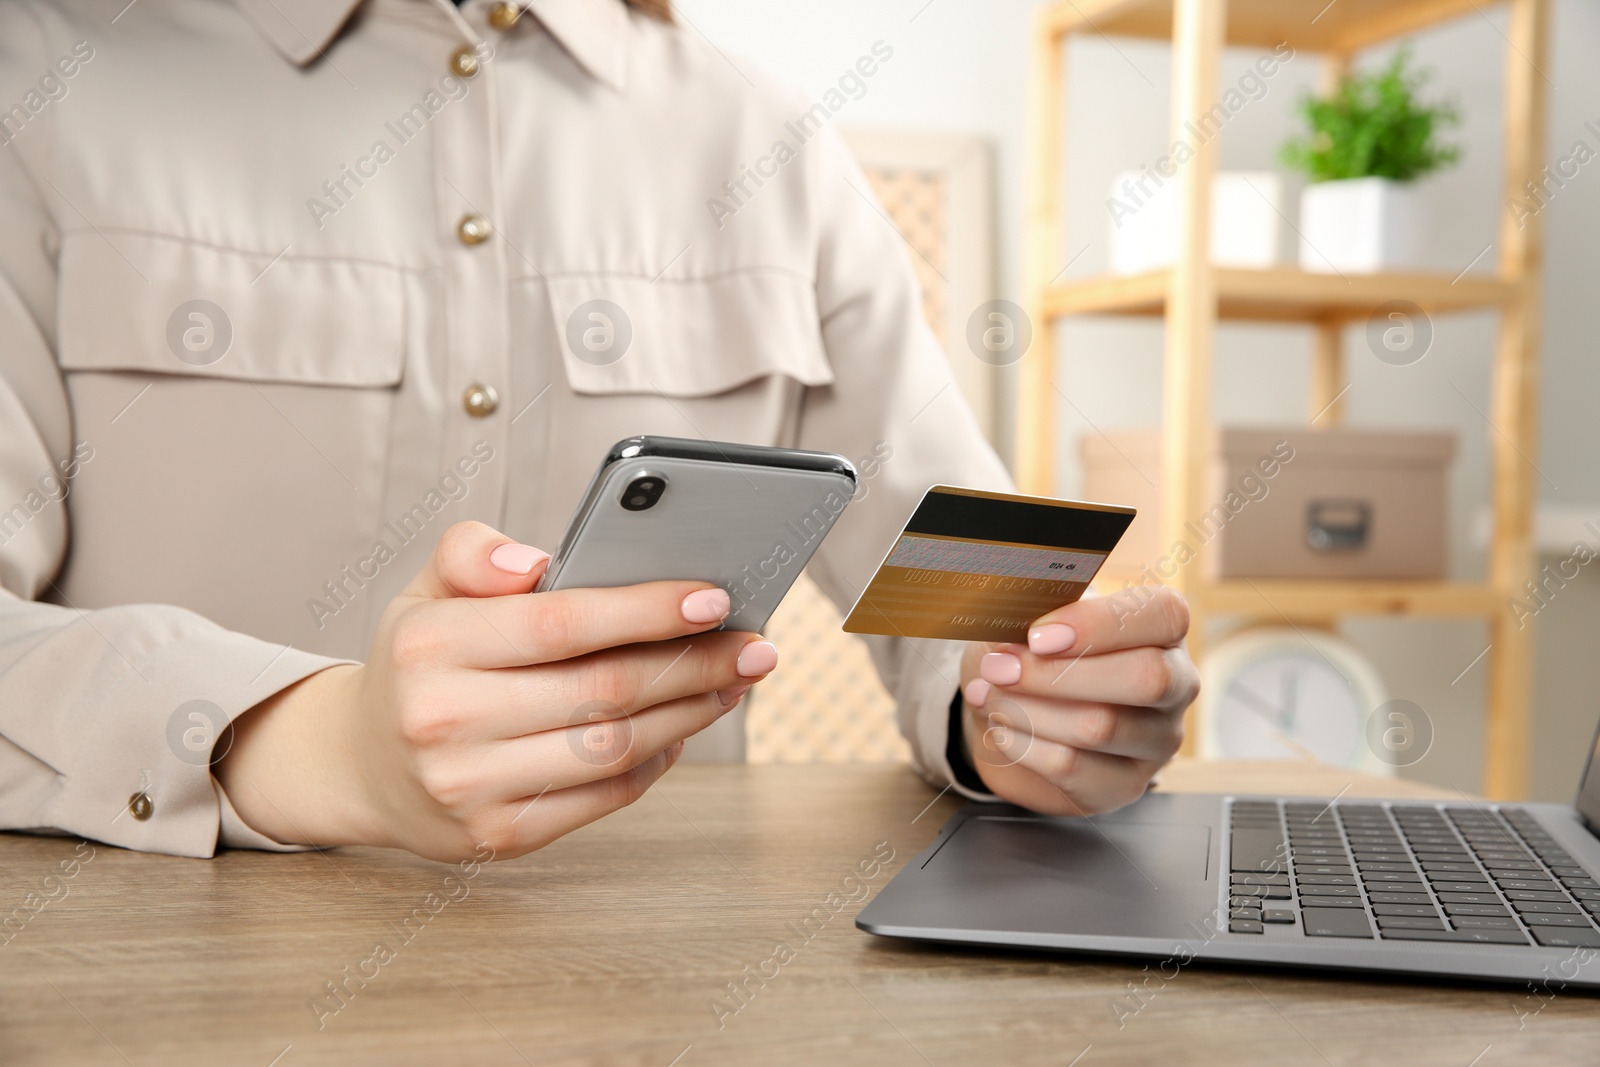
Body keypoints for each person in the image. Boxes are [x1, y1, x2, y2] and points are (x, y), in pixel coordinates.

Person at [0, 0, 1197, 862]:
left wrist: (1031, 711)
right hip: (146, 983)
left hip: (661, 983)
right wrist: (314, 747)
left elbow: (968, 606)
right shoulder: (35, 76)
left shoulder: (773, 141)